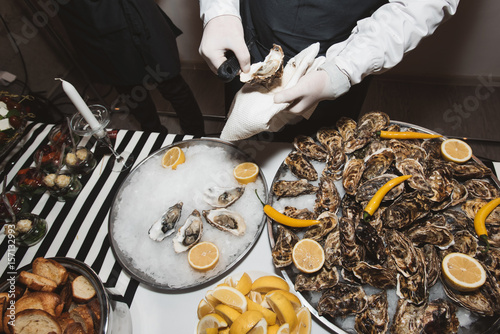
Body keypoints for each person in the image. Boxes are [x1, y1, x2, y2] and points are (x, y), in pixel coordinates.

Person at [199, 0, 459, 141]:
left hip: (337, 59)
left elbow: (417, 6)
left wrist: (342, 70)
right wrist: (219, 10)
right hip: (249, 46)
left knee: (321, 160)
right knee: (241, 150)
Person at [58, 0, 205, 136]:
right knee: (130, 90)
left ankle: (196, 136)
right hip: (95, 20)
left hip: (135, 12)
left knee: (170, 80)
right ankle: (153, 136)